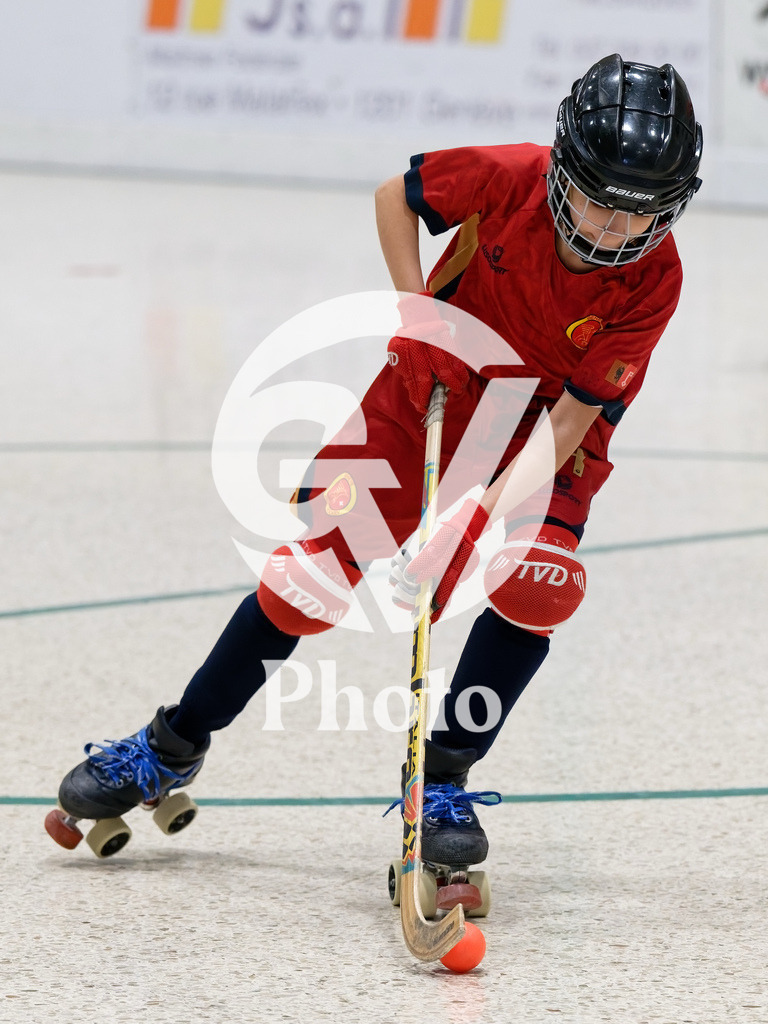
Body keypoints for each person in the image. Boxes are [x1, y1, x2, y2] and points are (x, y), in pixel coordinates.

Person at [47, 54, 703, 865]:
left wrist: (476, 515)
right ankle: (172, 745)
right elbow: (397, 195)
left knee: (537, 583)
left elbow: (570, 422)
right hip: (434, 384)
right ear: (563, 166)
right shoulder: (507, 177)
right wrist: (418, 313)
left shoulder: (655, 281)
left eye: (637, 217)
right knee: (306, 581)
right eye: (595, 202)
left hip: (545, 432)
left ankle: (444, 781)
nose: (610, 231)